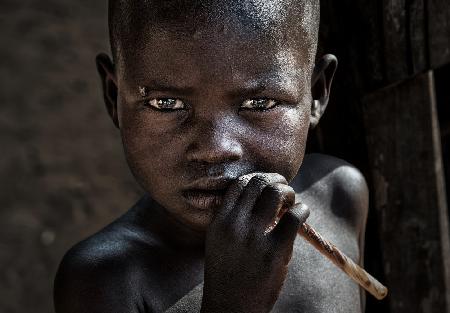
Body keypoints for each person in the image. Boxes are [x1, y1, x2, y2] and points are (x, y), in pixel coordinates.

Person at [54, 0, 368, 312]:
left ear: (317, 93)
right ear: (114, 96)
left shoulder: (339, 196)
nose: (215, 148)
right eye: (167, 104)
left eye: (259, 104)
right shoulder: (105, 281)